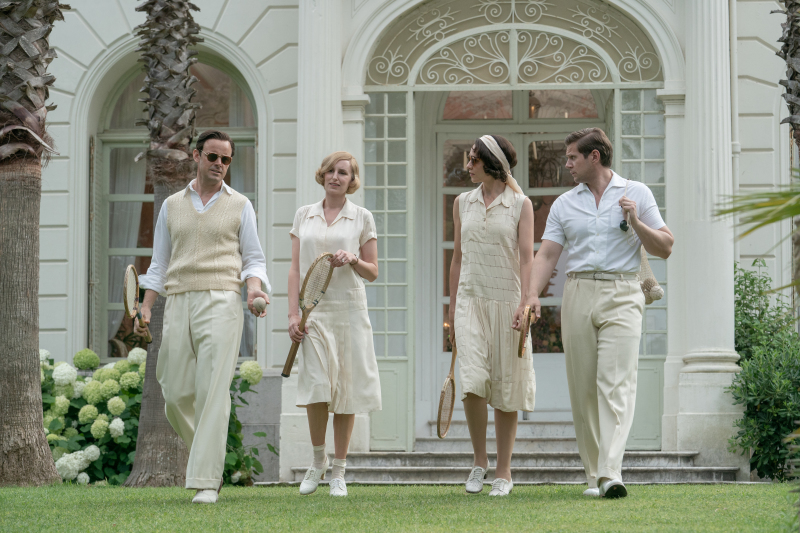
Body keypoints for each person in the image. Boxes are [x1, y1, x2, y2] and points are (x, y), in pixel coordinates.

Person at [530, 128, 674, 498]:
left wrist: (636, 222)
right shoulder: (564, 204)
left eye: (572, 157)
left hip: (623, 292)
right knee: (583, 389)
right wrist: (530, 295)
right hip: (578, 292)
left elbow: (666, 246)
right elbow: (547, 255)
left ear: (594, 156)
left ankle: (611, 471)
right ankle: (595, 474)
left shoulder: (636, 193)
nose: (567, 164)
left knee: (616, 383)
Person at [134, 129, 271, 504]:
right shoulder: (171, 206)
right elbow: (159, 263)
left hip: (222, 299)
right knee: (175, 392)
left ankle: (206, 481)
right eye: (213, 157)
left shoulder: (240, 204)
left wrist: (254, 289)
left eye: (226, 159)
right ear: (196, 156)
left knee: (213, 390)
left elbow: (253, 257)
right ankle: (210, 459)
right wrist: (146, 305)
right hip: (178, 300)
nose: (219, 164)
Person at [288, 151, 381, 497]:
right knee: (316, 388)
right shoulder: (304, 215)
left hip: (350, 312)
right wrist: (293, 314)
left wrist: (354, 258)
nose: (335, 177)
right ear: (322, 175)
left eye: (343, 172)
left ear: (352, 180)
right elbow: (295, 269)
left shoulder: (362, 217)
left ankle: (339, 471)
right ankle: (318, 461)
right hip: (313, 314)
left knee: (345, 391)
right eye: (330, 171)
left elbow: (373, 271)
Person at [449, 135, 536, 497]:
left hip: (508, 304)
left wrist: (526, 303)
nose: (468, 166)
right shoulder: (461, 202)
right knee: (472, 382)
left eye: (473, 160)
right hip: (469, 303)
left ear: (492, 163)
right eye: (468, 160)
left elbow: (528, 259)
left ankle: (503, 471)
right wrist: (452, 309)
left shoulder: (521, 205)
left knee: (506, 387)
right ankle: (479, 461)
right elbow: (457, 258)